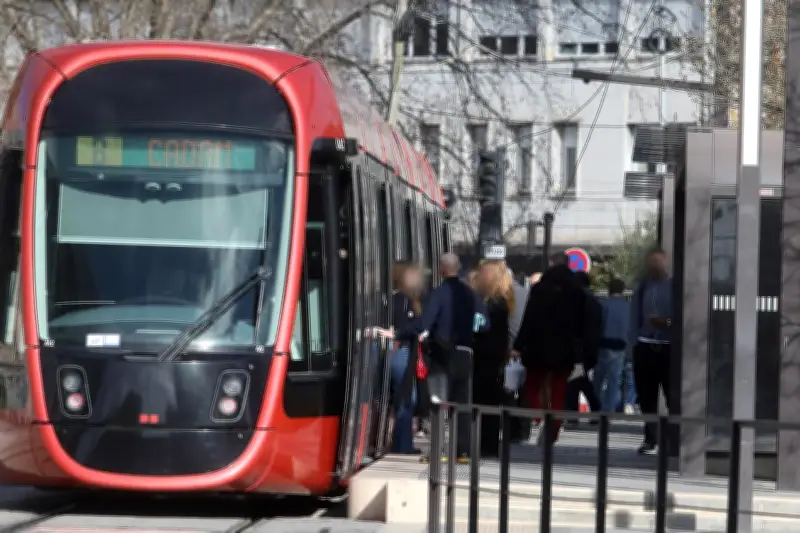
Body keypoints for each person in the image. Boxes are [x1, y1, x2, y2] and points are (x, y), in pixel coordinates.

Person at [376, 253, 488, 463]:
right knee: (462, 403)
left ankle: (439, 451)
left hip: (442, 354)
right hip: (465, 353)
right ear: (459, 268)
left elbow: (423, 325)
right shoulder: (471, 294)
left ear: (442, 270)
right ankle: (463, 452)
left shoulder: (438, 294)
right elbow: (484, 323)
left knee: (439, 403)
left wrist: (398, 333)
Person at [511, 253, 595, 446]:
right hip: (565, 349)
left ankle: (540, 417)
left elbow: (529, 319)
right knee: (559, 389)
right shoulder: (576, 291)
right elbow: (584, 325)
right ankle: (554, 426)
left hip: (538, 347)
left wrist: (519, 345)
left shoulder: (540, 288)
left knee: (531, 386)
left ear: (551, 264)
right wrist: (585, 351)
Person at [630, 248, 673, 454]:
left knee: (672, 395)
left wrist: (668, 323)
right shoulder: (643, 286)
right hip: (645, 346)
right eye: (651, 262)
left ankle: (672, 439)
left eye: (658, 262)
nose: (654, 266)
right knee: (647, 397)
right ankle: (650, 437)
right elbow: (634, 316)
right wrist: (634, 344)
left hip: (668, 347)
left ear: (665, 262)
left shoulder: (674, 285)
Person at [472, 260, 514, 458]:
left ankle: (486, 444)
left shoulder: (494, 302)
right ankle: (488, 444)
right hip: (493, 357)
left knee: (484, 401)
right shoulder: (500, 299)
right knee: (489, 402)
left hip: (486, 358)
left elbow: (487, 330)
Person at [388, 262, 424, 454]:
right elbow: (403, 328)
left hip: (401, 350)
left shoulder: (397, 298)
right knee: (407, 397)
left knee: (405, 397)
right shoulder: (402, 300)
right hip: (401, 350)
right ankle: (403, 445)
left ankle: (401, 442)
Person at [563, 270, 602, 423]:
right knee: (579, 380)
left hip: (579, 347)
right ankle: (591, 411)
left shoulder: (579, 299)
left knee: (576, 381)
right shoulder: (594, 300)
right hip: (589, 347)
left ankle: (575, 414)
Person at [592, 278, 631, 414]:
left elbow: (598, 325)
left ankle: (595, 408)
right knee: (614, 380)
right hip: (620, 345)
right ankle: (609, 411)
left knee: (598, 379)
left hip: (603, 344)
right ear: (622, 290)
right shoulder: (628, 306)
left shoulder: (603, 304)